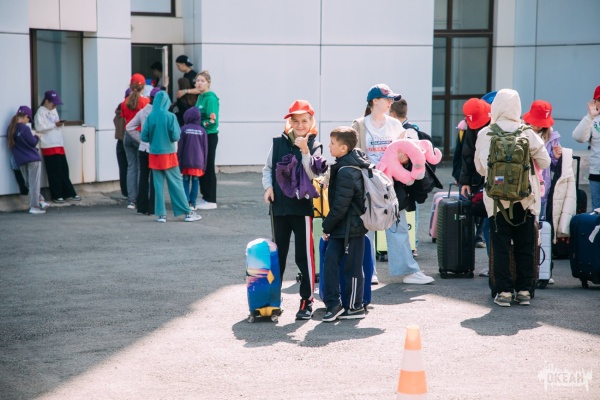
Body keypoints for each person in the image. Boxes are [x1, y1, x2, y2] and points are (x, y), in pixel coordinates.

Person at [352, 84, 434, 285]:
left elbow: (406, 152)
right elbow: (353, 154)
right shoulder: (360, 125)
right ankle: (367, 272)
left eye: (391, 100)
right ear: (374, 101)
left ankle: (408, 271)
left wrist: (404, 159)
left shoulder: (395, 125)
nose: (390, 102)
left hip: (392, 184)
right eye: (387, 99)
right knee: (367, 228)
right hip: (368, 182)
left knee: (398, 226)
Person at [474, 88, 550, 307]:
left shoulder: (485, 133)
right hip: (526, 198)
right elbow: (545, 162)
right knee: (525, 245)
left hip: (497, 201)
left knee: (500, 246)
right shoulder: (527, 132)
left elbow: (481, 168)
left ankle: (504, 292)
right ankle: (524, 290)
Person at [262, 100, 323, 320]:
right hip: (279, 208)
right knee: (277, 256)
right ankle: (272, 300)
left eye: (304, 121)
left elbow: (315, 174)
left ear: (311, 121)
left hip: (302, 208)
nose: (300, 125)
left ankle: (307, 301)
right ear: (290, 122)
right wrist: (268, 187)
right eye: (295, 121)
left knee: (304, 257)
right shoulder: (278, 142)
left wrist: (305, 151)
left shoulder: (315, 144)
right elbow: (268, 168)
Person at [321, 126, 369, 322]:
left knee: (352, 268)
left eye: (332, 143)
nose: (329, 146)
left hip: (353, 228)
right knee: (330, 263)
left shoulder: (347, 171)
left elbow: (340, 206)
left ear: (343, 148)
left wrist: (326, 226)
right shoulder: (344, 165)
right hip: (343, 227)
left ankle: (355, 306)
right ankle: (334, 304)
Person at [140, 91, 202, 223]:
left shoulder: (151, 116)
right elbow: (175, 136)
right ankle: (187, 212)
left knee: (158, 186)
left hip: (154, 155)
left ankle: (161, 215)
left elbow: (144, 136)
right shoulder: (171, 116)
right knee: (176, 184)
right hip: (168, 154)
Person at [34, 90, 81, 203]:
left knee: (64, 169)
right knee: (54, 171)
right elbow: (39, 127)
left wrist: (58, 124)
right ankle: (57, 195)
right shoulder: (40, 112)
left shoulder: (54, 110)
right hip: (48, 144)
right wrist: (54, 124)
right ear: (46, 101)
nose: (55, 105)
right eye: (53, 103)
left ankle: (68, 193)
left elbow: (55, 124)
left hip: (58, 143)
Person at [459, 98, 492, 257]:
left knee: (491, 222)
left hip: (496, 176)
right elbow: (468, 153)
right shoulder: (471, 128)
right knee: (479, 209)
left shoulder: (498, 121)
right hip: (479, 176)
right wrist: (465, 181)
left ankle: (495, 263)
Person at [522, 100, 562, 220]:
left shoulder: (552, 137)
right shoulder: (521, 132)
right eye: (535, 122)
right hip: (524, 183)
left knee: (540, 221)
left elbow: (553, 167)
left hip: (543, 186)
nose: (537, 126)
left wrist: (556, 157)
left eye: (541, 123)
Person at [125, 87, 161, 216]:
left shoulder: (143, 111)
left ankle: (141, 207)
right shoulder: (161, 113)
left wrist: (141, 139)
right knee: (155, 177)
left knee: (143, 177)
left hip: (143, 148)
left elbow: (129, 127)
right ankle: (153, 208)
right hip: (156, 149)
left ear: (150, 98)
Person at [7, 106, 48, 214]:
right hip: (33, 158)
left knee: (29, 183)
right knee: (34, 183)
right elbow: (32, 142)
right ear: (25, 116)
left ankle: (40, 200)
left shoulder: (10, 128)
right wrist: (37, 136)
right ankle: (35, 207)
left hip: (21, 160)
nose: (28, 121)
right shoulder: (25, 128)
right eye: (28, 119)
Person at [121, 73, 150, 209]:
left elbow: (124, 118)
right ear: (143, 86)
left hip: (127, 135)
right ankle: (140, 198)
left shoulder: (124, 102)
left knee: (131, 167)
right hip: (140, 135)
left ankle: (131, 200)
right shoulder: (145, 102)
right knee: (141, 168)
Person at [194, 71, 220, 210]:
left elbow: (213, 121)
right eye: (197, 81)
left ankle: (211, 199)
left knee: (209, 166)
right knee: (202, 165)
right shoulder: (200, 97)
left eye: (202, 81)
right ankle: (204, 196)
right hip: (201, 135)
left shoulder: (210, 98)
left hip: (209, 135)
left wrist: (198, 123)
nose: (199, 83)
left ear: (208, 83)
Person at [572, 85, 600, 210]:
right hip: (596, 174)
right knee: (596, 213)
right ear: (594, 102)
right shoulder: (593, 120)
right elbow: (578, 137)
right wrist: (590, 116)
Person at [177, 107, 208, 210]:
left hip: (186, 161)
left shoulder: (183, 129)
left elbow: (180, 147)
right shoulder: (202, 131)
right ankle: (193, 203)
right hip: (198, 162)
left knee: (185, 180)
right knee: (195, 181)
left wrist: (178, 161)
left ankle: (186, 202)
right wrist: (204, 165)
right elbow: (205, 149)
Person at [114, 88, 131, 199]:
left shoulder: (119, 109)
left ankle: (125, 192)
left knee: (123, 168)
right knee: (132, 167)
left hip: (120, 142)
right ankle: (131, 192)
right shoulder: (130, 109)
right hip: (129, 140)